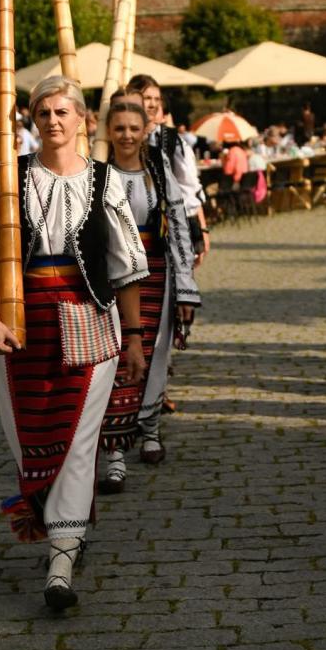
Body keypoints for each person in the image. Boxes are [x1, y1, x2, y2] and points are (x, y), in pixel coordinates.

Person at [0, 75, 149, 611]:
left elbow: (125, 269)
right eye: (43, 112)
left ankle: (61, 559)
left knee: (76, 439)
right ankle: (59, 523)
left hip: (88, 317)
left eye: (62, 112)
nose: (53, 120)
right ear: (33, 120)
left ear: (81, 120)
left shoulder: (104, 182)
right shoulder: (12, 177)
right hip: (21, 322)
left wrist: (136, 339)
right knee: (29, 433)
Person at [99, 93, 201, 491]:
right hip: (110, 276)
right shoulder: (96, 172)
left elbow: (176, 227)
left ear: (145, 132)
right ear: (108, 130)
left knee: (155, 353)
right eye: (119, 128)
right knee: (116, 356)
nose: (126, 135)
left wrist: (187, 289)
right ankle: (114, 452)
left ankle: (151, 428)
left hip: (155, 274)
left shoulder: (157, 170)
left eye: (133, 129)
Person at [127, 74, 210, 266]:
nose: (153, 104)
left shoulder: (173, 141)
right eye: (148, 98)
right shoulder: (117, 138)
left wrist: (202, 231)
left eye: (157, 99)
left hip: (167, 231)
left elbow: (190, 190)